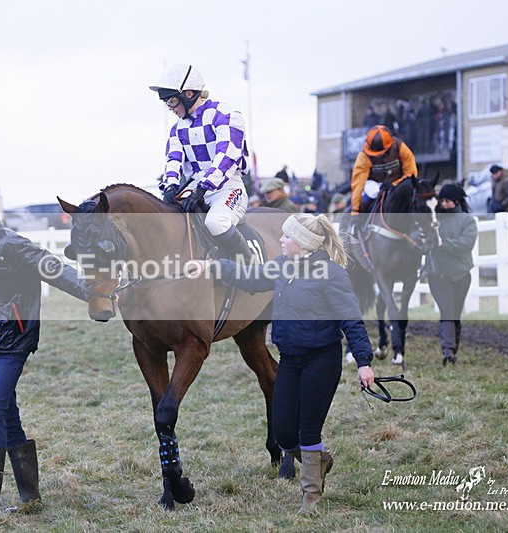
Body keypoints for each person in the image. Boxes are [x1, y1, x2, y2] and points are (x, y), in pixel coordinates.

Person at [186, 213, 374, 513]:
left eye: (287, 237)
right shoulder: (283, 266)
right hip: (290, 360)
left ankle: (310, 496)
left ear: (301, 244)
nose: (282, 240)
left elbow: (351, 319)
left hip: (321, 361)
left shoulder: (332, 274)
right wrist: (211, 266)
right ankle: (319, 461)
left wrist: (363, 361)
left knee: (309, 431)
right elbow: (250, 276)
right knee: (284, 433)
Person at [0, 183, 88, 515]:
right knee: (7, 414)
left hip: (11, 344)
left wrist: (90, 292)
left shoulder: (11, 244)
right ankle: (31, 499)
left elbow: (52, 268)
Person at [150, 63, 252, 261]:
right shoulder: (177, 129)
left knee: (216, 222)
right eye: (166, 103)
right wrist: (170, 186)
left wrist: (204, 187)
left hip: (227, 188)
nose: (170, 108)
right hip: (194, 189)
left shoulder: (226, 115)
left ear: (189, 94)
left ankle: (252, 268)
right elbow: (173, 160)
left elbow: (227, 157)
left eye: (171, 101)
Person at [424, 184, 478, 366]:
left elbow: (465, 245)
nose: (443, 204)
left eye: (447, 201)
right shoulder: (433, 218)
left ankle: (452, 349)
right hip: (437, 274)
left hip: (460, 274)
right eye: (442, 200)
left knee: (455, 312)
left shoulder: (467, 221)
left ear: (456, 201)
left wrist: (443, 243)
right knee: (447, 310)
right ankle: (447, 350)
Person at [349, 124, 418, 223]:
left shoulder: (400, 147)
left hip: (399, 182)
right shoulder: (364, 156)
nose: (378, 156)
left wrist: (395, 184)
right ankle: (360, 225)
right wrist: (355, 209)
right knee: (373, 192)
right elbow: (358, 183)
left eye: (381, 152)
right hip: (374, 184)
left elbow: (411, 173)